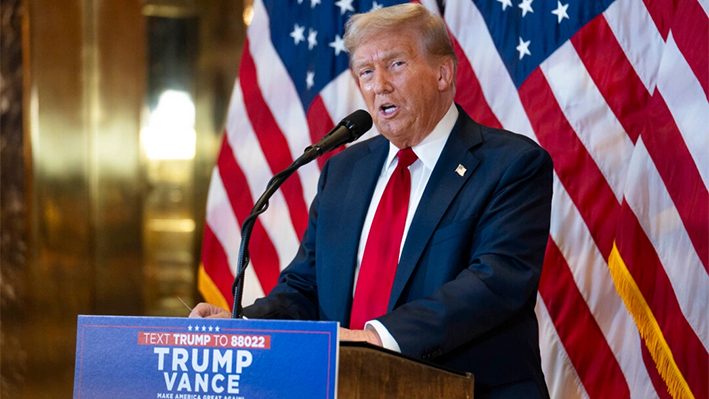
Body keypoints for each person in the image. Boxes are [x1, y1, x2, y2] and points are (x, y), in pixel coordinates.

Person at [191, 3, 552, 398]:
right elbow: (305, 286)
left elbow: (494, 283)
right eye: (366, 72)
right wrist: (243, 328)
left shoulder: (511, 165)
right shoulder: (344, 171)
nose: (379, 84)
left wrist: (377, 337)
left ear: (443, 73)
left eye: (395, 64)